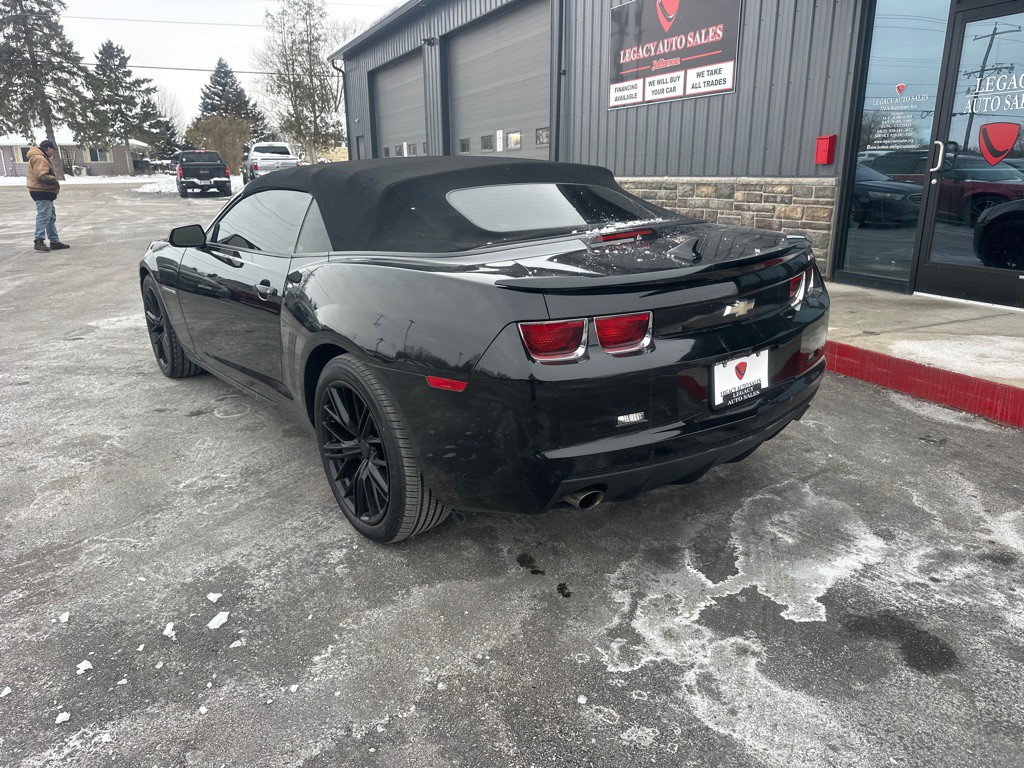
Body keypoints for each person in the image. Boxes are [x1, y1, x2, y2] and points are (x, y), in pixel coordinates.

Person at [26, 139, 70, 252]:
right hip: (41, 191)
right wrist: (54, 179)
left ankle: (54, 241)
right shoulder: (39, 158)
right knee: (44, 216)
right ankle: (39, 240)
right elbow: (41, 175)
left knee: (50, 217)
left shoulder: (41, 157)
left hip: (45, 192)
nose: (52, 153)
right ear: (49, 149)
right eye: (52, 151)